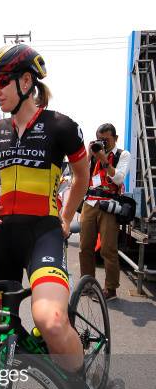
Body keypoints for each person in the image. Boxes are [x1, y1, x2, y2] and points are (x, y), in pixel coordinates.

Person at [0, 44, 97, 389]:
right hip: (1, 237)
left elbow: (82, 171)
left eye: (1, 81)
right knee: (0, 337)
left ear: (26, 82)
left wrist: (67, 214)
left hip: (43, 233)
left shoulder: (59, 125)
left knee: (52, 321)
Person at [79, 123, 131, 301]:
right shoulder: (93, 153)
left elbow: (118, 179)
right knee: (85, 247)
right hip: (90, 203)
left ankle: (111, 289)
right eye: (99, 140)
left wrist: (104, 160)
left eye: (106, 140)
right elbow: (80, 175)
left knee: (108, 249)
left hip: (109, 205)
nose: (103, 144)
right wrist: (88, 155)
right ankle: (87, 284)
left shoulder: (122, 155)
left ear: (115, 138)